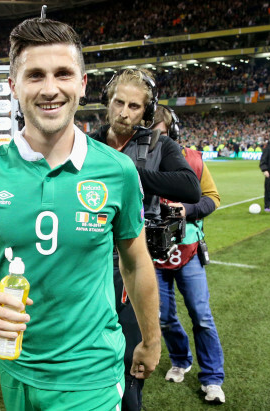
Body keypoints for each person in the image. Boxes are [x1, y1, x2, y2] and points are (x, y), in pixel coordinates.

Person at [0, 16, 161, 410]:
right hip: (15, 367)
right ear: (13, 86)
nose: (50, 89)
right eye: (35, 75)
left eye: (63, 74)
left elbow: (136, 262)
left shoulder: (117, 171)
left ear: (82, 83)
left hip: (91, 372)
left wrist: (150, 340)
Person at [89, 70, 201, 411]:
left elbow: (189, 187)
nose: (124, 112)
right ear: (107, 104)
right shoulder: (84, 144)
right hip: (86, 265)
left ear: (146, 113)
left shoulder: (159, 144)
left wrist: (129, 174)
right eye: (118, 102)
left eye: (134, 106)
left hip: (130, 267)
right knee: (88, 357)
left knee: (129, 361)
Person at [152, 106, 226, 404]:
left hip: (188, 251)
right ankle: (181, 360)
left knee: (201, 315)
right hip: (151, 254)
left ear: (172, 130)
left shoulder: (193, 159)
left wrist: (188, 210)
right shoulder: (136, 160)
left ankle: (212, 378)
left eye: (158, 128)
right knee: (165, 317)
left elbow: (213, 199)